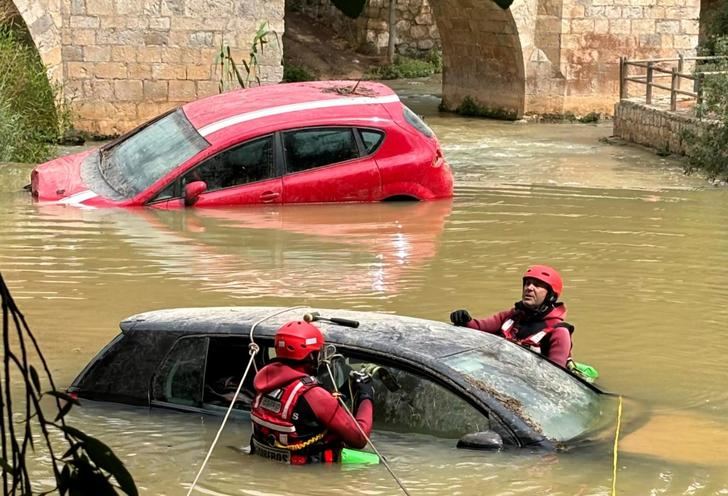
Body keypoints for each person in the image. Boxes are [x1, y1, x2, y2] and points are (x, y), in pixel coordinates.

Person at [250, 320, 374, 464]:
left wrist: (344, 391)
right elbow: (359, 439)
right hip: (311, 475)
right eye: (318, 352)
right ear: (310, 356)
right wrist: (366, 396)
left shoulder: (263, 382)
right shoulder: (314, 395)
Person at [450, 264, 573, 367]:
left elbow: (556, 377)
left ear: (551, 295)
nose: (529, 288)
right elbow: (478, 327)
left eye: (537, 285)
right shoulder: (511, 317)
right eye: (527, 283)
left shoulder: (559, 332)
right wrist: (464, 320)